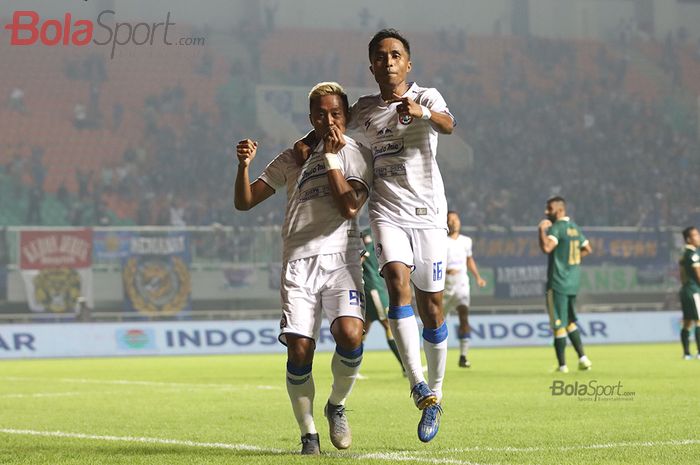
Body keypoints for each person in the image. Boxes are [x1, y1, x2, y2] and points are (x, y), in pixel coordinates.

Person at [295, 29, 454, 443]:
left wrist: (419, 112)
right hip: (387, 212)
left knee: (432, 307)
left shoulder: (428, 95)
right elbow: (334, 129)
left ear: (408, 63)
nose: (388, 62)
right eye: (380, 57)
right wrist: (305, 145)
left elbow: (448, 125)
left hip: (430, 216)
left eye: (396, 55)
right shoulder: (364, 108)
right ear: (372, 66)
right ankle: (418, 385)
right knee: (396, 283)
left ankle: (436, 393)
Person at [234, 82, 372, 455]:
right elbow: (245, 201)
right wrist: (243, 166)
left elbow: (349, 208)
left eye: (336, 113)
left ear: (346, 115)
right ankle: (308, 432)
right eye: (321, 114)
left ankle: (336, 405)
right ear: (311, 117)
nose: (329, 120)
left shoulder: (356, 152)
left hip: (341, 257)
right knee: (299, 350)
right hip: (298, 260)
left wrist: (330, 157)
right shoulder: (292, 158)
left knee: (351, 334)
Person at [538, 197, 593, 373]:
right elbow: (587, 249)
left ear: (560, 210)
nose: (547, 212)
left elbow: (547, 248)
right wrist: (572, 262)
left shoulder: (557, 228)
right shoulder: (575, 228)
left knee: (558, 323)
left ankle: (562, 366)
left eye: (550, 209)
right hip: (573, 283)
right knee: (570, 321)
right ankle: (583, 358)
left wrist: (540, 231)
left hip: (557, 283)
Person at [445, 211, 486, 368]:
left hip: (462, 281)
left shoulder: (466, 241)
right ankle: (435, 353)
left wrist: (478, 277)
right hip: (445, 284)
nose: (453, 222)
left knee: (464, 314)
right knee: (438, 321)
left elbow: (469, 260)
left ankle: (463, 356)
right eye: (450, 220)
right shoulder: (442, 241)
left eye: (456, 219)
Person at [360, 229, 404, 374]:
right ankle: (405, 366)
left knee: (363, 330)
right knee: (388, 325)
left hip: (371, 289)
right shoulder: (372, 247)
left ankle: (351, 368)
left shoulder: (369, 247)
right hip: (374, 291)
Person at [678, 226, 700, 359]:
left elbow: (681, 275)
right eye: (695, 235)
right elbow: (698, 275)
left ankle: (686, 353)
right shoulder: (694, 254)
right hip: (694, 291)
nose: (698, 238)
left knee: (687, 322)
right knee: (699, 321)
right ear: (688, 239)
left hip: (685, 290)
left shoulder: (683, 255)